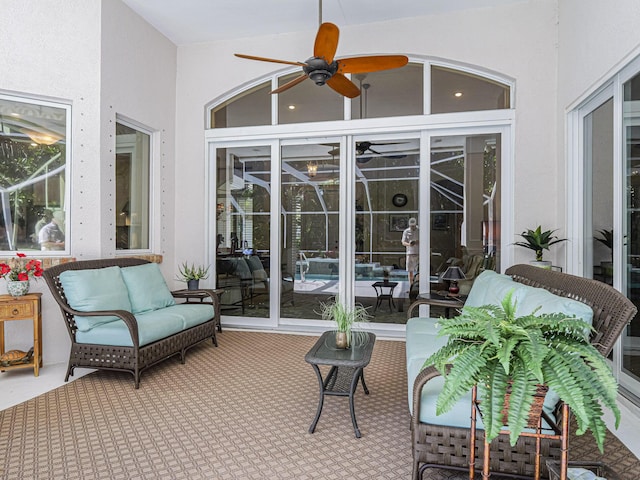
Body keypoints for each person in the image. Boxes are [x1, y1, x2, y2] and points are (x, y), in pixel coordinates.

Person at [402, 217, 419, 284]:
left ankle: (417, 286)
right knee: (410, 271)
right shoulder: (406, 231)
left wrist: (417, 242)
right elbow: (403, 242)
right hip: (410, 253)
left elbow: (424, 240)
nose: (412, 227)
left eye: (413, 226)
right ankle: (411, 286)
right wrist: (409, 244)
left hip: (418, 253)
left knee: (418, 271)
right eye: (411, 226)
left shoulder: (419, 230)